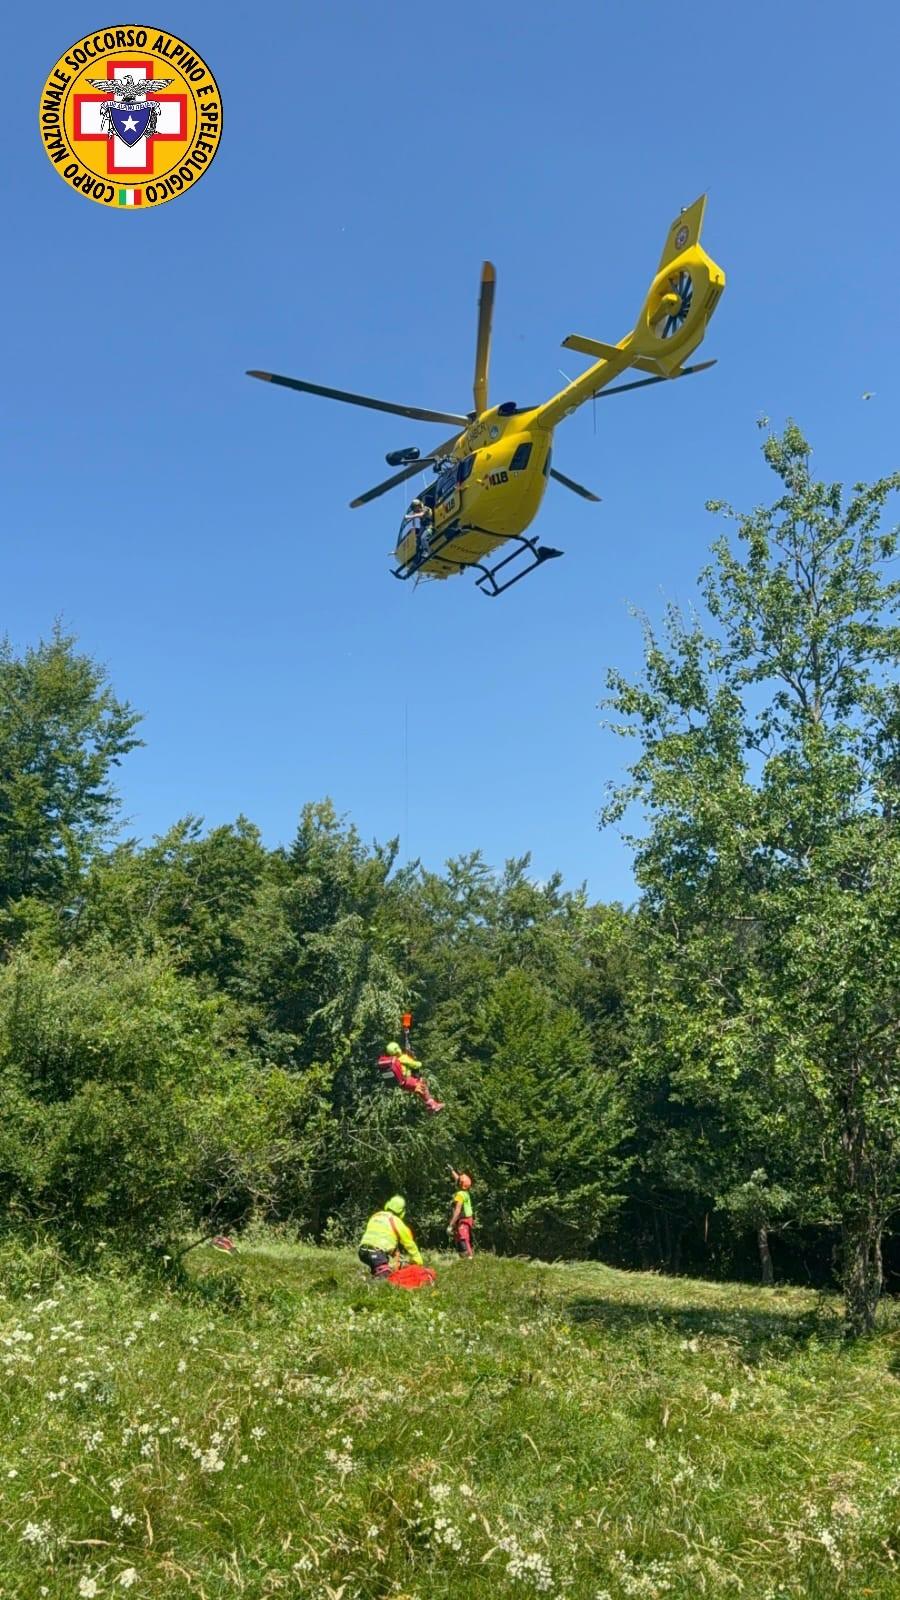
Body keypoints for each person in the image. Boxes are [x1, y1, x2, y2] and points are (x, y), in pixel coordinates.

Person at [358, 1195, 423, 1277]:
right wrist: (418, 1261)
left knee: (377, 1270)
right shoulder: (396, 1221)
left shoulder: (376, 1216)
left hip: (362, 1251)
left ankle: (366, 1282)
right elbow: (409, 1244)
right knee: (385, 1276)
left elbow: (379, 1237)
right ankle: (371, 1286)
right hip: (376, 1252)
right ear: (402, 1211)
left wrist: (394, 1253)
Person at [377, 1041, 444, 1114]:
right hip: (408, 1080)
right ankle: (433, 1105)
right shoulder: (402, 1058)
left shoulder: (393, 1060)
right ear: (397, 1049)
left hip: (403, 1084)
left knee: (420, 1091)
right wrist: (419, 1063)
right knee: (423, 1087)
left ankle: (430, 1107)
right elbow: (415, 1065)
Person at [447, 1170, 476, 1257]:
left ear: (460, 1184)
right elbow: (459, 1180)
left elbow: (457, 1211)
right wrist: (451, 1170)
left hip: (463, 1221)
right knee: (463, 1240)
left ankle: (469, 1259)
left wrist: (451, 1225)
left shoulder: (459, 1195)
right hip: (468, 1219)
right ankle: (466, 1259)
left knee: (463, 1240)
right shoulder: (466, 1192)